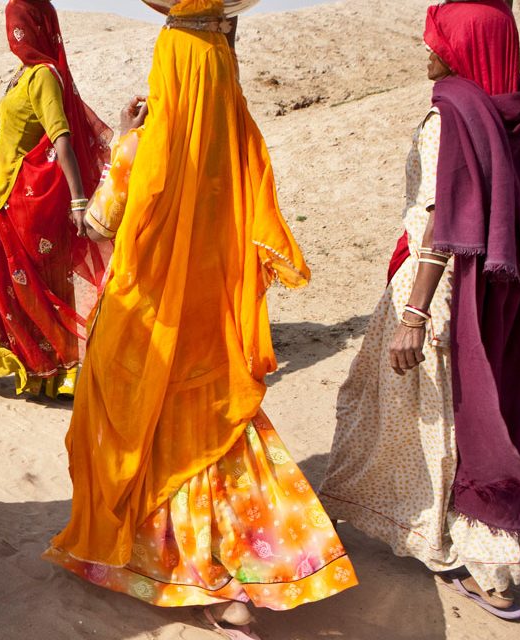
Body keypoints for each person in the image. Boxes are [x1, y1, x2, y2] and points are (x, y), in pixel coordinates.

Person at [44, 2, 357, 638]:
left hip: (147, 327)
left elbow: (100, 225)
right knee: (219, 433)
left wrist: (121, 142)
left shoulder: (145, 145)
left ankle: (175, 569)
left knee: (135, 428)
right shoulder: (240, 139)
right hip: (214, 326)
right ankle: (249, 570)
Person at [319, 0, 520, 622]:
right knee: (487, 420)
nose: (428, 52)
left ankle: (456, 550)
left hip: (442, 292)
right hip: (510, 293)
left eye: (436, 41)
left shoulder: (452, 115)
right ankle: (489, 567)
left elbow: (442, 224)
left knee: (416, 417)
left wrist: (414, 314)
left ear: (462, 47)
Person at [0, 0, 109, 398]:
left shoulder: (44, 76)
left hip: (13, 201)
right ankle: (33, 367)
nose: (13, 37)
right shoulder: (23, 74)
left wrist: (79, 201)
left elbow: (60, 137)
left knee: (2, 286)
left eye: (18, 27)